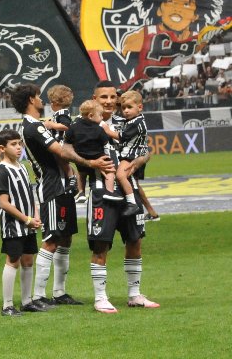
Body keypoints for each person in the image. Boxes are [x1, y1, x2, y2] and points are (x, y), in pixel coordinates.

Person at [10, 83, 112, 309]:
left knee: (65, 238)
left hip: (63, 186)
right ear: (31, 100)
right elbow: (61, 151)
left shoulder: (37, 124)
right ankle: (38, 295)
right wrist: (90, 163)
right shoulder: (33, 127)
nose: (42, 100)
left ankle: (59, 292)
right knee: (51, 239)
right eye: (38, 96)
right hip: (51, 187)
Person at [88, 81, 159, 313]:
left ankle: (134, 294)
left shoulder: (126, 121)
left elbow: (145, 150)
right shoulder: (85, 123)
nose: (109, 101)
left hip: (130, 189)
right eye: (103, 97)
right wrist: (90, 162)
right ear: (95, 99)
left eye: (113, 97)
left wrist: (140, 160)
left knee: (135, 241)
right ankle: (100, 298)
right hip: (103, 192)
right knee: (101, 244)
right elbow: (66, 149)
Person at [0, 129, 43, 317]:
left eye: (19, 143)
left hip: (28, 223)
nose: (18, 147)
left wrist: (35, 215)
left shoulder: (22, 167)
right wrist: (26, 219)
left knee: (28, 260)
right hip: (13, 224)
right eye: (13, 144)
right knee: (13, 260)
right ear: (2, 148)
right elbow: (4, 203)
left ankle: (27, 301)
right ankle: (7, 306)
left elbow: (29, 194)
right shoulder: (2, 171)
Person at [66, 101, 139, 217]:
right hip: (97, 156)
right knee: (110, 171)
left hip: (81, 157)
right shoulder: (99, 129)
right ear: (91, 116)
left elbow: (68, 139)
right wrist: (107, 155)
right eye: (100, 115)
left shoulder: (73, 126)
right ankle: (109, 191)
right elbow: (105, 142)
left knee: (81, 174)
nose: (101, 117)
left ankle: (81, 193)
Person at [109, 91, 151, 216]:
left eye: (129, 107)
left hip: (130, 155)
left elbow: (121, 136)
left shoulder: (135, 122)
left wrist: (106, 130)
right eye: (123, 108)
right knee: (131, 181)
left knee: (121, 176)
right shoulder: (135, 120)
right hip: (133, 154)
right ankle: (151, 212)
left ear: (140, 107)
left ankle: (132, 203)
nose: (126, 111)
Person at [47, 85, 84, 201]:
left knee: (61, 160)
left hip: (62, 142)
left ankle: (72, 178)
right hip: (59, 141)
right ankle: (73, 178)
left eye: (51, 102)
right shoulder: (59, 113)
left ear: (55, 102)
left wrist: (52, 125)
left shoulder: (62, 113)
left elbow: (66, 126)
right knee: (62, 162)